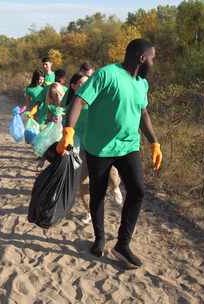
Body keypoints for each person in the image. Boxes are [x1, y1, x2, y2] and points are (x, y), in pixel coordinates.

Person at [56, 39, 163, 268]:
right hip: (100, 148)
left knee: (137, 191)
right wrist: (68, 130)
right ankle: (100, 237)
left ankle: (122, 245)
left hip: (129, 146)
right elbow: (78, 100)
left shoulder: (141, 83)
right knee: (98, 193)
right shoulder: (106, 75)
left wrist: (154, 143)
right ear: (142, 58)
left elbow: (143, 114)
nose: (154, 62)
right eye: (152, 57)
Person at [63, 73, 123, 225]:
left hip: (100, 145)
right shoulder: (70, 103)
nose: (86, 86)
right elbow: (65, 124)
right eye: (82, 83)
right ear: (73, 86)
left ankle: (115, 187)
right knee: (83, 182)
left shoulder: (97, 99)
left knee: (111, 172)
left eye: (88, 83)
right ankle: (89, 211)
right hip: (80, 148)